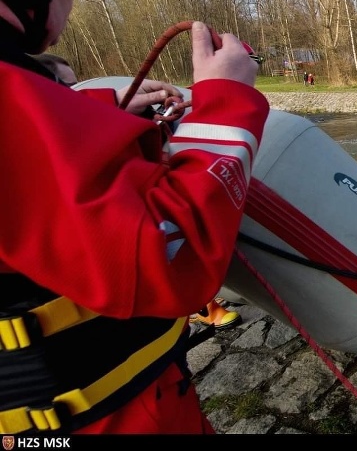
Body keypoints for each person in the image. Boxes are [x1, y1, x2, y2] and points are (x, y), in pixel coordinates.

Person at [0, 0, 269, 435]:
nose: (68, 1)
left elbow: (38, 190)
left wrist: (99, 116)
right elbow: (166, 259)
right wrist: (225, 104)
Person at [35, 53, 243, 332]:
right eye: (65, 89)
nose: (74, 96)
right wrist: (229, 106)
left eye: (77, 88)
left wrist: (121, 111)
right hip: (93, 337)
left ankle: (199, 308)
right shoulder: (39, 170)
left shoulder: (69, 140)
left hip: (151, 342)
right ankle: (204, 306)